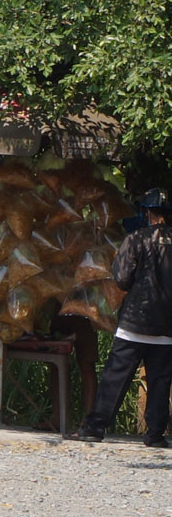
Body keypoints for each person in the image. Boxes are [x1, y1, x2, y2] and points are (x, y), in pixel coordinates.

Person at [71, 188, 172, 448]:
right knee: (160, 381)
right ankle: (155, 435)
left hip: (135, 322)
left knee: (116, 378)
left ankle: (95, 428)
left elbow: (122, 279)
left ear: (148, 213)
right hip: (167, 326)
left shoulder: (136, 240)